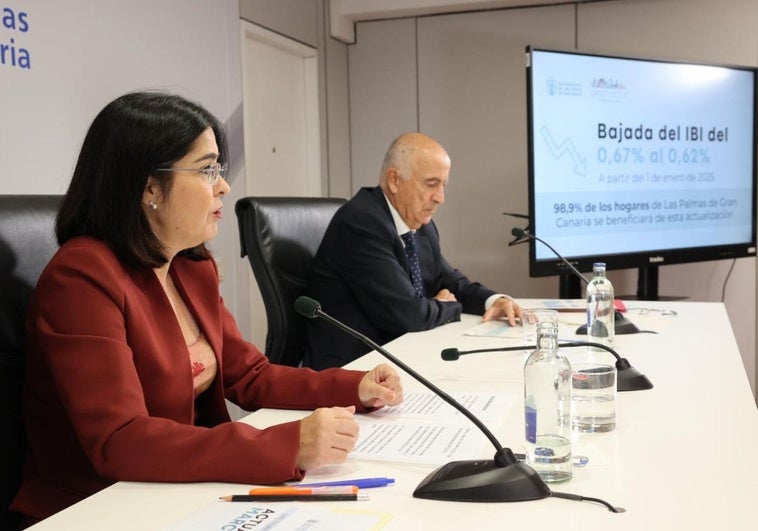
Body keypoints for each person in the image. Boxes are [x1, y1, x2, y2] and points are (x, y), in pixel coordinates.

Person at [10, 92, 403, 525]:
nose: (223, 185)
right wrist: (285, 445)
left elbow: (249, 376)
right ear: (149, 187)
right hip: (95, 506)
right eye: (206, 170)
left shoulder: (191, 266)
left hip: (177, 488)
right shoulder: (82, 278)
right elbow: (119, 439)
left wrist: (355, 388)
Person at [304, 132, 522, 370]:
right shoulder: (361, 223)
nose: (440, 198)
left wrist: (493, 300)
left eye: (443, 185)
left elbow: (449, 281)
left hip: (399, 355)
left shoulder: (419, 223)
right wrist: (450, 306)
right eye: (431, 184)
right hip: (353, 367)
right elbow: (409, 315)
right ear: (395, 180)